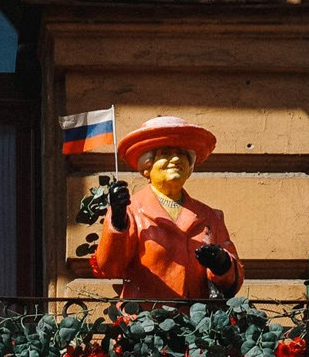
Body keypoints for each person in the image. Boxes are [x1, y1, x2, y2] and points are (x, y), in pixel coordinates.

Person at [86, 115, 243, 307]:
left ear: (189, 167)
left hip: (196, 322)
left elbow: (233, 280)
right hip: (144, 320)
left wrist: (222, 264)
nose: (176, 159)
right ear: (147, 166)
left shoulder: (210, 217)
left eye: (182, 155)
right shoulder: (130, 211)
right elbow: (110, 268)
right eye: (165, 154)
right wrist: (118, 221)